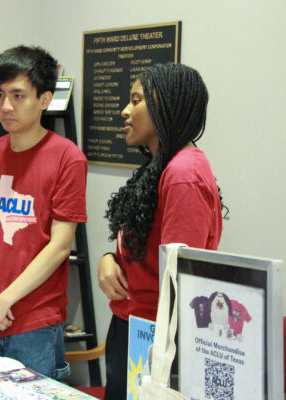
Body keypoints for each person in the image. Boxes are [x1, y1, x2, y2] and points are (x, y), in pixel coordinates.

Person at [97, 63, 228, 400]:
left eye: (137, 100)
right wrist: (109, 259)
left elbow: (178, 279)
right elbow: (145, 251)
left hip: (158, 342)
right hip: (133, 326)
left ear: (166, 106)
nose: (125, 110)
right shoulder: (161, 166)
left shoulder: (183, 172)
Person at [0, 45, 88, 379]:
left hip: (33, 322)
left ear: (44, 100)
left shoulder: (67, 158)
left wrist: (5, 301)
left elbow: (60, 245)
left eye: (18, 95)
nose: (6, 106)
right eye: (0, 94)